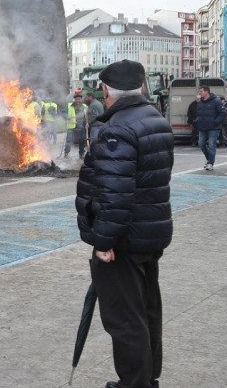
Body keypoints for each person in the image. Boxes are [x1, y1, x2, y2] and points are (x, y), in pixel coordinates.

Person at [75, 59, 174, 388]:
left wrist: (103, 241)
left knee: (125, 320)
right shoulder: (153, 118)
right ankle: (147, 378)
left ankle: (134, 384)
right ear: (141, 87)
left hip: (124, 240)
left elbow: (114, 193)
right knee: (146, 312)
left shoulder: (116, 128)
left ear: (105, 90)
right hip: (150, 232)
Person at [191, 86, 226, 170]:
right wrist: (198, 121)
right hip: (202, 127)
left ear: (207, 92)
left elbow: (222, 113)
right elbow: (197, 112)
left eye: (201, 91)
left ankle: (210, 163)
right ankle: (209, 159)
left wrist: (216, 121)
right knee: (201, 144)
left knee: (211, 144)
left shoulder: (216, 101)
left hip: (213, 127)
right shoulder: (200, 102)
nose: (200, 93)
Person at [64, 94, 88, 158]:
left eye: (79, 99)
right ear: (74, 99)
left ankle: (81, 154)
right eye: (76, 99)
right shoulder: (69, 106)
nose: (78, 100)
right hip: (71, 126)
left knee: (82, 140)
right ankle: (66, 154)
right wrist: (66, 116)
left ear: (81, 99)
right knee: (69, 140)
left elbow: (87, 116)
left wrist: (87, 123)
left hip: (81, 126)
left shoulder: (85, 106)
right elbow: (64, 113)